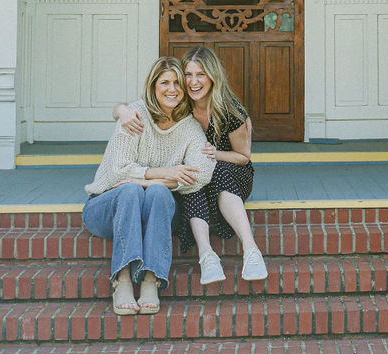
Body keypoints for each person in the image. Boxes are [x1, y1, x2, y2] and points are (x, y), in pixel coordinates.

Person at [117, 44, 268, 285]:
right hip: (192, 179)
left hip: (232, 175)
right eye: (188, 75)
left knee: (211, 169)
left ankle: (251, 250)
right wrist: (122, 111)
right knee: (193, 172)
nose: (193, 81)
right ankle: (207, 255)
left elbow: (244, 157)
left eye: (201, 74)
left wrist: (215, 154)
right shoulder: (180, 103)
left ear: (212, 77)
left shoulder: (230, 110)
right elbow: (139, 105)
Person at [83, 57, 213, 315]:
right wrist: (164, 173)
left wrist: (148, 182)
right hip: (106, 207)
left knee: (154, 191)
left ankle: (150, 279)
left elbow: (202, 173)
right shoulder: (134, 116)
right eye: (165, 82)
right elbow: (118, 172)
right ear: (153, 86)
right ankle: (121, 280)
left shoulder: (189, 126)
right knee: (130, 191)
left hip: (157, 210)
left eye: (177, 82)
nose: (172, 89)